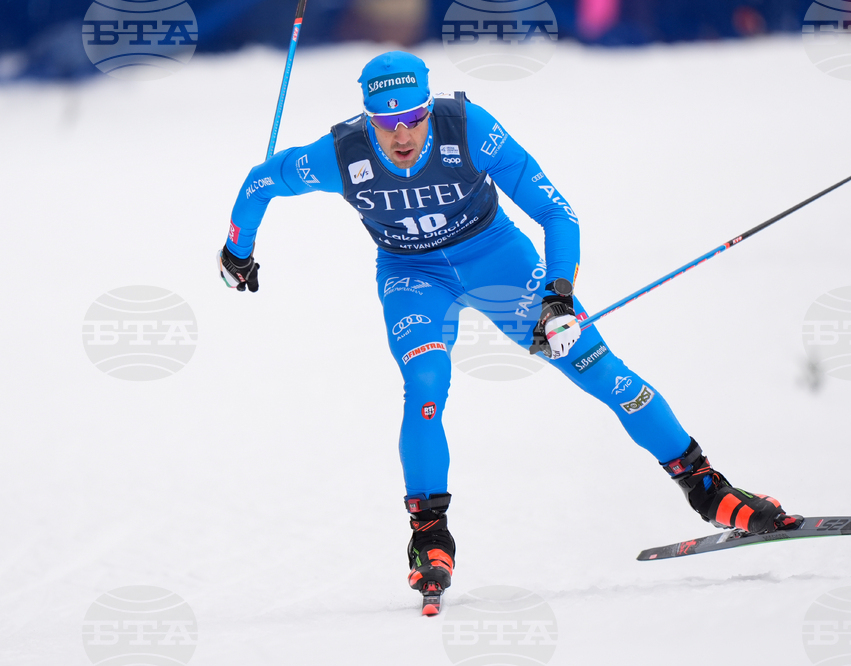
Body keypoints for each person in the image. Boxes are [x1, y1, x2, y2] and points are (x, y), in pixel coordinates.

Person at [219, 51, 799, 603]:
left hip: (497, 259)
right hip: (412, 273)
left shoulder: (471, 128)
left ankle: (707, 488)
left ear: (428, 107)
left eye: (413, 118)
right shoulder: (340, 154)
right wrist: (237, 253)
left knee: (603, 373)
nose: (401, 135)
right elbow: (259, 181)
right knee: (425, 384)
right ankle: (429, 535)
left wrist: (559, 299)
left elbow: (555, 211)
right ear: (369, 118)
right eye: (387, 122)